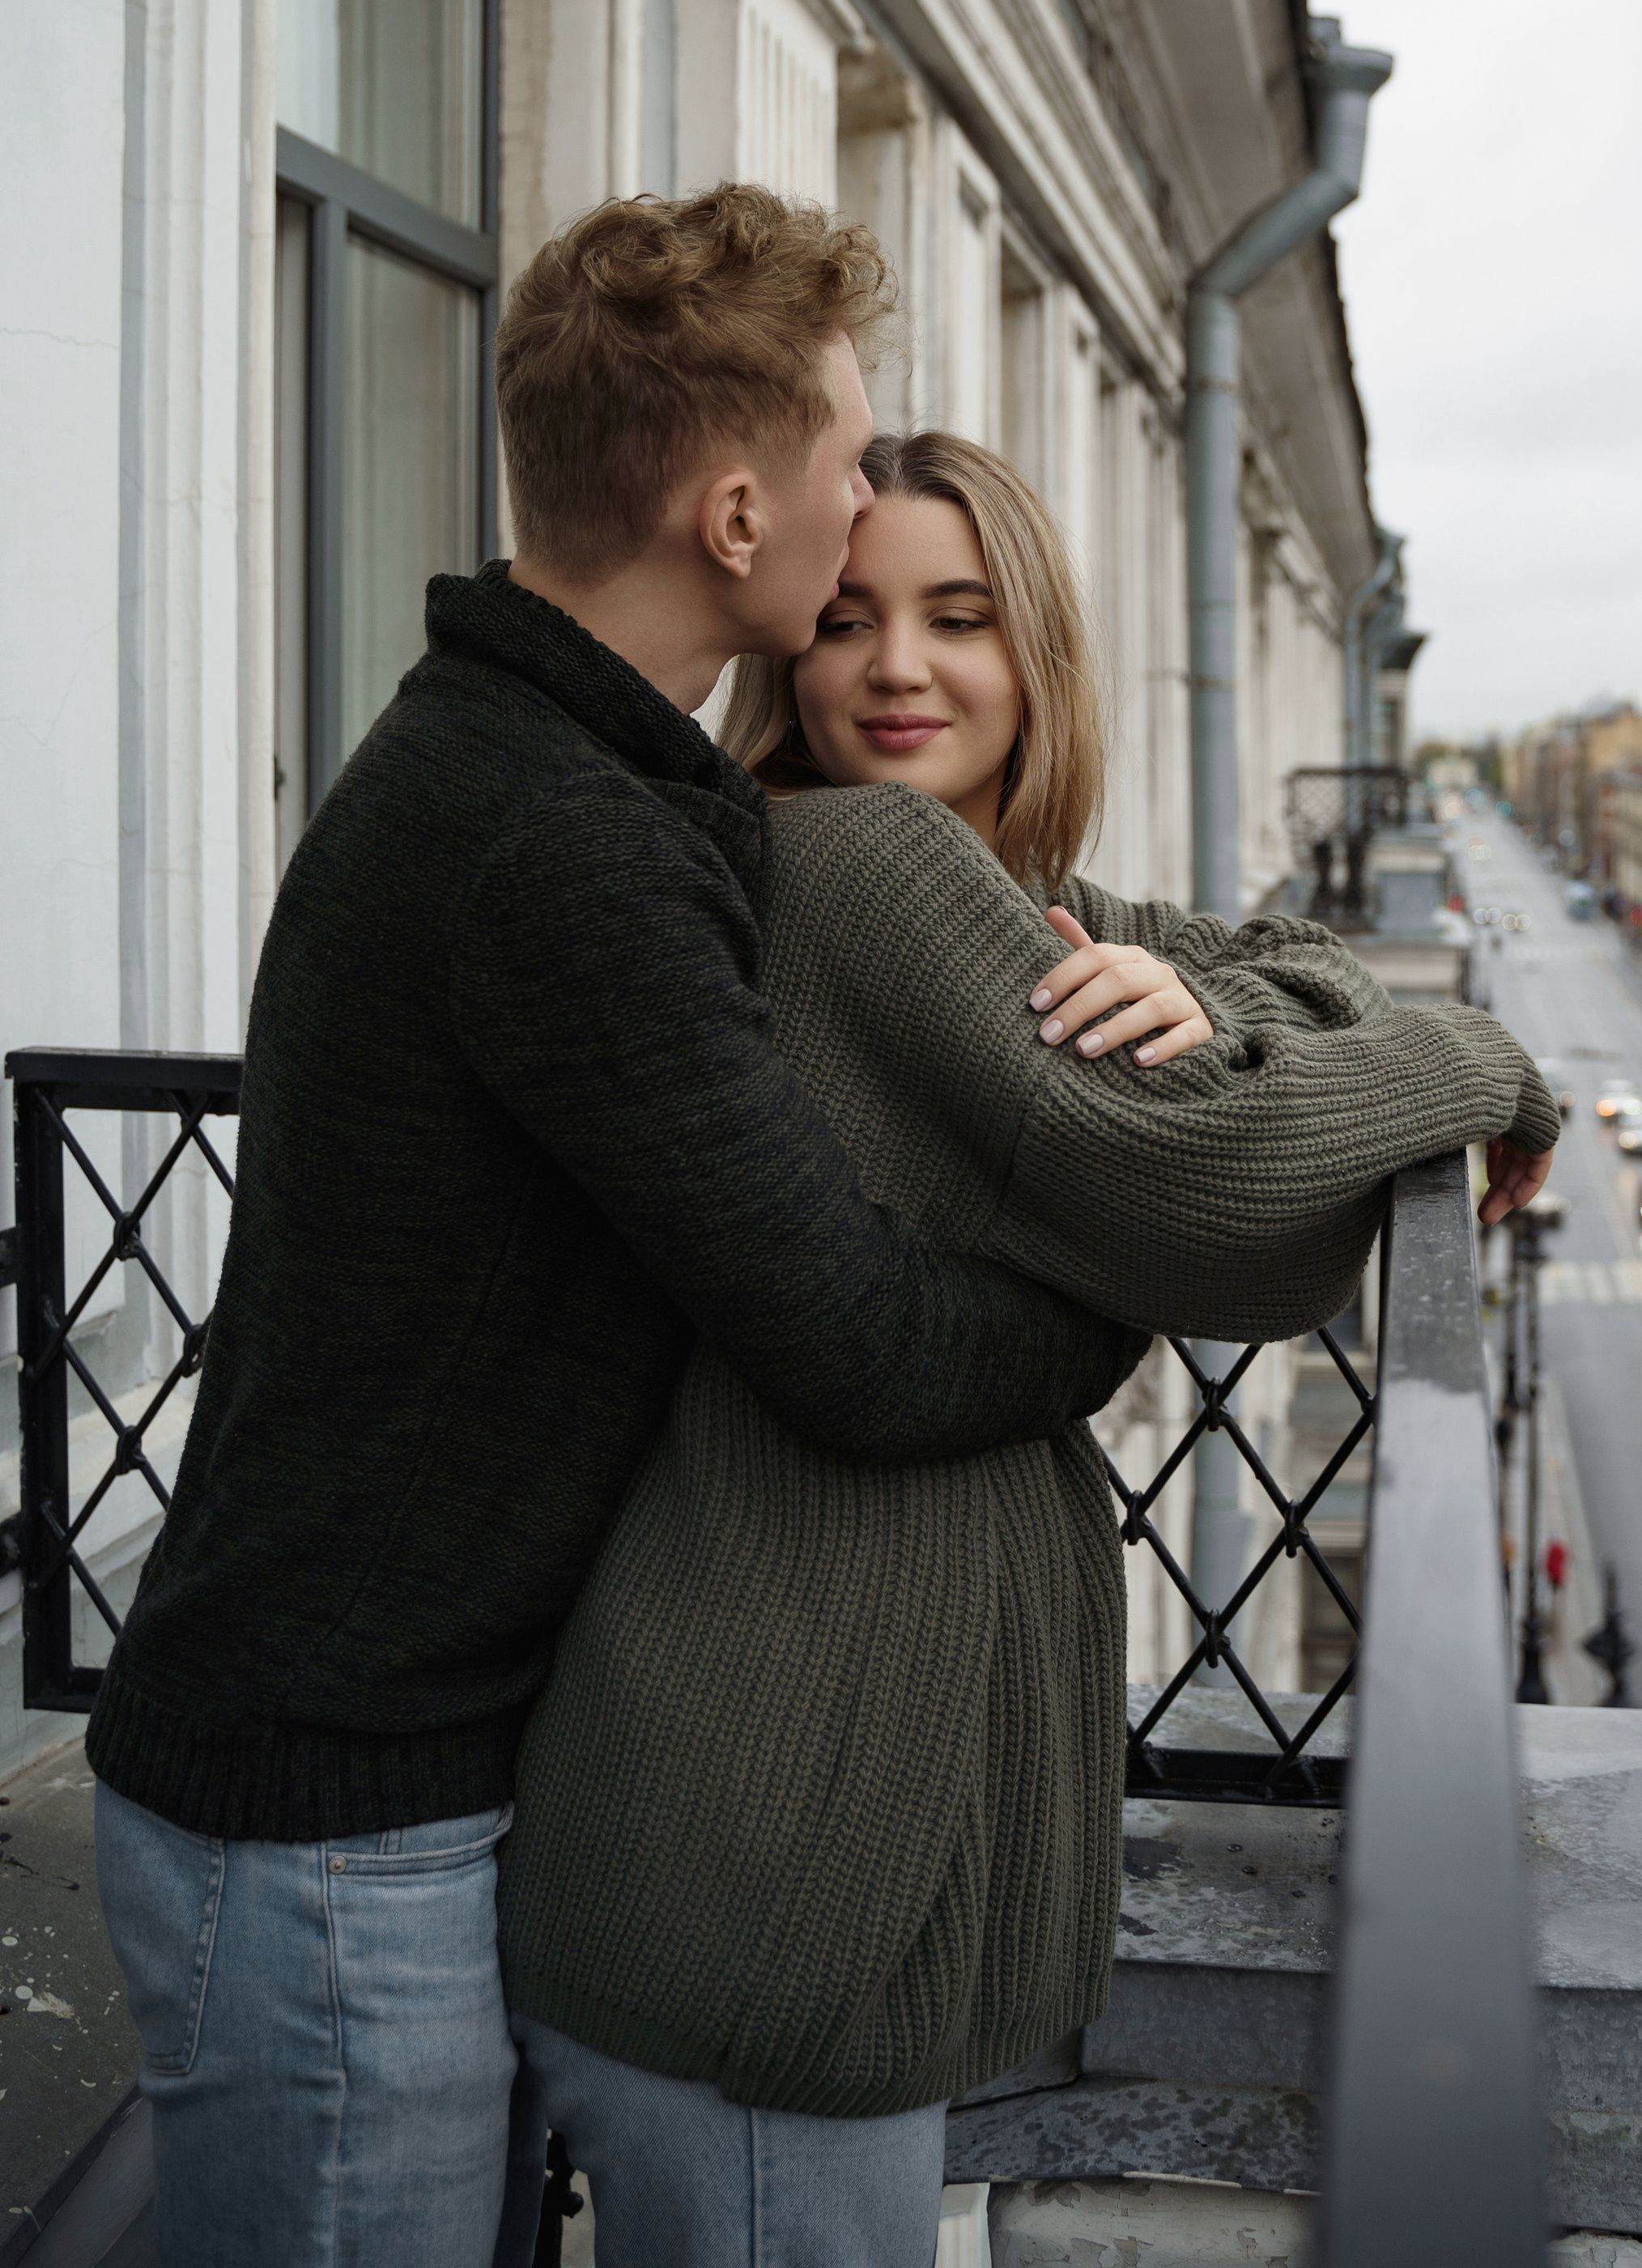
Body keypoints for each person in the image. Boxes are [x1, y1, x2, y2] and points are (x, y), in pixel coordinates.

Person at [87, 199, 1150, 2268]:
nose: (865, 515)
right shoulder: (552, 841)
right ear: (737, 513)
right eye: (849, 472)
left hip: (401, 1789)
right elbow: (853, 1344)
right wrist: (1137, 1273)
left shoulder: (568, 776)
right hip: (320, 1824)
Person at [496, 430, 1559, 2262]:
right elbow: (1237, 1213)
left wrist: (1209, 996)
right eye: (842, 620)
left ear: (1038, 651)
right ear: (779, 650)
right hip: (754, 1878)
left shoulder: (1000, 895)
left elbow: (1278, 948)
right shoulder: (858, 867)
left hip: (758, 1843)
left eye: (956, 616)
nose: (894, 666)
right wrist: (1475, 1063)